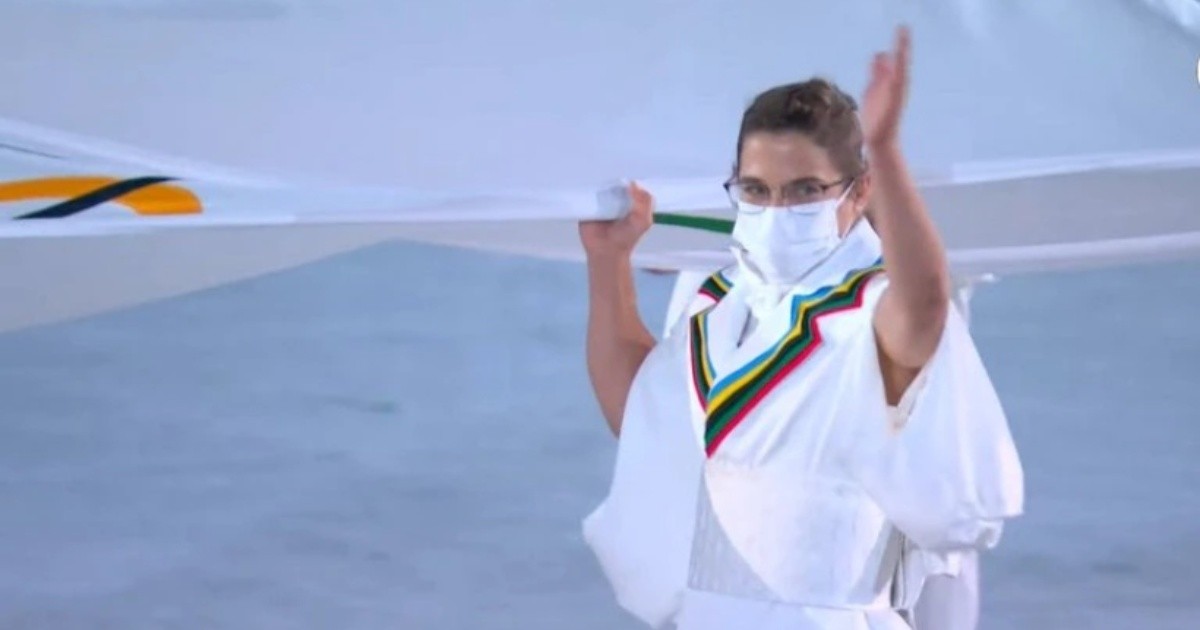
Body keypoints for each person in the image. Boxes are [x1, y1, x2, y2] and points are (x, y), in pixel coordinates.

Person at [578, 26, 1023, 630]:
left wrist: (886, 149)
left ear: (859, 191)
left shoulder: (868, 307)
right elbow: (639, 416)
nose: (777, 211)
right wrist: (608, 262)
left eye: (805, 191)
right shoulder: (720, 303)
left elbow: (925, 305)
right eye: (756, 190)